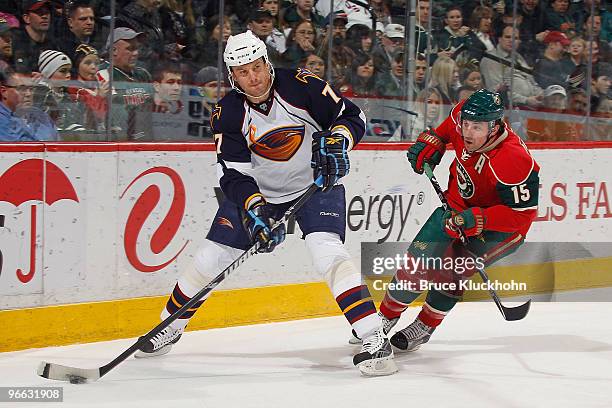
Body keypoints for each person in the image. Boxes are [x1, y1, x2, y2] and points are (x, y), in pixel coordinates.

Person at [134, 30, 397, 377]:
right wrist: (256, 209)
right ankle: (168, 327)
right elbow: (233, 175)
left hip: (316, 184)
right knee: (211, 257)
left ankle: (374, 338)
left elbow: (353, 117)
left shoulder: (302, 86)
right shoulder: (227, 112)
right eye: (242, 72)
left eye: (256, 67)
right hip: (260, 192)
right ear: (232, 75)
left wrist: (339, 140)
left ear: (266, 63)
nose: (253, 77)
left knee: (326, 251)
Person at [378, 89, 540, 352]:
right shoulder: (462, 115)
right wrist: (433, 142)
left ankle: (425, 325)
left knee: (449, 272)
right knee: (415, 264)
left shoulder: (513, 160)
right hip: (455, 207)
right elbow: (442, 134)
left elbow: (522, 213)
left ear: (495, 126)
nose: (467, 132)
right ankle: (385, 317)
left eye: (476, 127)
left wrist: (480, 218)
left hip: (499, 228)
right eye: (466, 124)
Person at [0, 69, 37, 141]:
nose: (28, 94)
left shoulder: (41, 116)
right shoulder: (2, 121)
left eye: (31, 89)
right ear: (4, 92)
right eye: (22, 88)